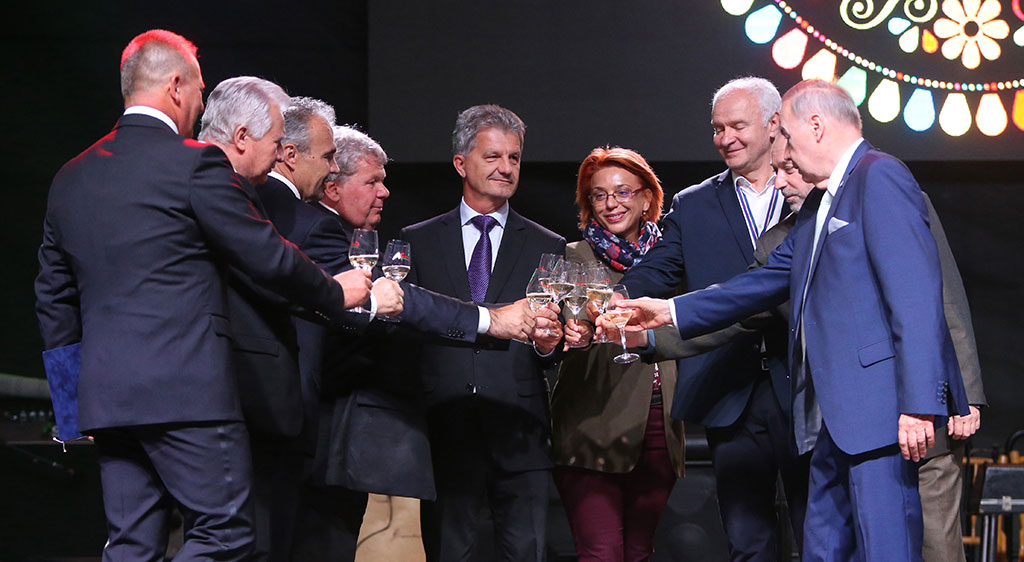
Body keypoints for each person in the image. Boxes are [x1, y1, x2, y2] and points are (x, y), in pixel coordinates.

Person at [33, 30, 371, 562]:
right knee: (225, 535)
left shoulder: (71, 176)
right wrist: (334, 291)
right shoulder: (195, 163)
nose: (199, 102)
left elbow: (53, 296)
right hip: (187, 392)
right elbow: (266, 255)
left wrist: (73, 404)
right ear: (175, 86)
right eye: (198, 87)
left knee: (131, 543)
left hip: (106, 398)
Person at [616, 79, 970, 562]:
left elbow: (917, 297)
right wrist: (669, 310)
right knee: (821, 548)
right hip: (829, 421)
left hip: (878, 415)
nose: (781, 153)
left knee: (886, 548)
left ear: (816, 126)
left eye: (784, 134)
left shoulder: (879, 176)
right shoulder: (822, 203)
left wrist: (920, 405)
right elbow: (762, 282)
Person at [292, 126, 543, 561]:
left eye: (514, 157)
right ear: (332, 188)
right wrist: (491, 319)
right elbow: (408, 308)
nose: (385, 192)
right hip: (330, 428)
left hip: (513, 434)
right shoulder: (328, 232)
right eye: (373, 181)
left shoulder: (345, 234)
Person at [618, 77, 806, 561]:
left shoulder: (811, 190)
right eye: (717, 128)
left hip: (805, 387)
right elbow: (657, 270)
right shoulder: (694, 203)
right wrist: (612, 300)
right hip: (730, 393)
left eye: (737, 126)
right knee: (748, 542)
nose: (725, 138)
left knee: (819, 536)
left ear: (774, 124)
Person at [400, 104, 566, 562]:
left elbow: (552, 344)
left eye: (514, 158)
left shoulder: (547, 244)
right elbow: (408, 327)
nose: (505, 168)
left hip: (520, 431)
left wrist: (549, 345)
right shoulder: (418, 240)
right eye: (493, 156)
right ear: (461, 163)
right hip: (446, 426)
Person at [549, 147, 684, 562]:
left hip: (661, 424)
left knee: (640, 551)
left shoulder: (674, 257)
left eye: (623, 192)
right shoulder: (573, 257)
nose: (611, 204)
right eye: (599, 195)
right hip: (593, 421)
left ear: (647, 198)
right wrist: (573, 331)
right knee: (601, 553)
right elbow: (561, 326)